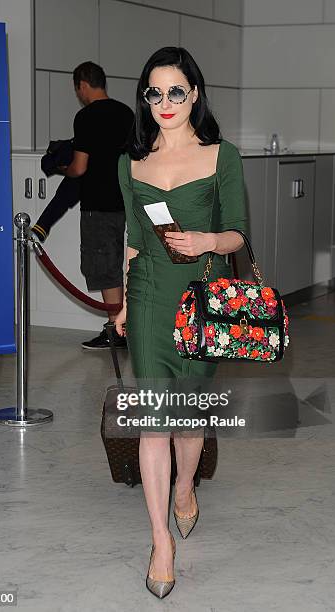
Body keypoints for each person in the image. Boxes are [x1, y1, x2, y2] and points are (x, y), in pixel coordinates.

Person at [114, 47, 247, 598]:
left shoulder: (222, 156)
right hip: (148, 297)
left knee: (189, 420)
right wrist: (123, 302)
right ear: (145, 98)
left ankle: (186, 486)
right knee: (153, 421)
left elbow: (238, 232)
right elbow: (133, 238)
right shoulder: (131, 163)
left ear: (194, 93)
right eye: (154, 92)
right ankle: (159, 539)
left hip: (202, 302)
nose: (164, 102)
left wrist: (207, 241)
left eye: (175, 90)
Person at [61, 61, 134, 349]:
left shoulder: (86, 117)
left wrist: (62, 168)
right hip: (125, 200)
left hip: (98, 203)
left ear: (81, 85)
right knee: (122, 264)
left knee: (105, 268)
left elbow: (80, 167)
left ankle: (116, 332)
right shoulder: (126, 113)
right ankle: (125, 326)